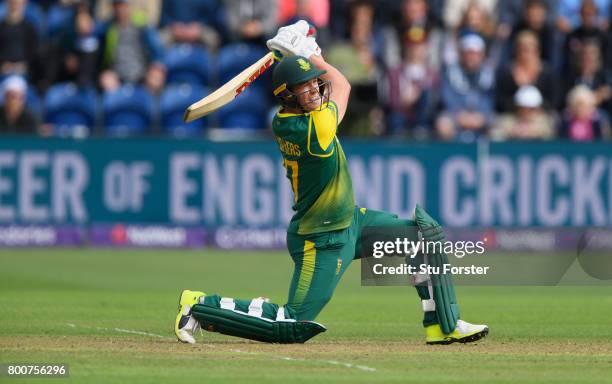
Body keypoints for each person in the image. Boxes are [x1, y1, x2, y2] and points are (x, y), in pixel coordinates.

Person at [173, 20, 489, 346]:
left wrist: (304, 55)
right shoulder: (309, 130)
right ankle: (199, 306)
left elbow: (325, 85)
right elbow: (344, 86)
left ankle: (442, 324)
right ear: (287, 97)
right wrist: (313, 53)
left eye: (314, 85)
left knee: (420, 237)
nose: (314, 92)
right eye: (305, 89)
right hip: (320, 239)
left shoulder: (296, 116)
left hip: (351, 222)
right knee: (292, 322)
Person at [436, 33, 495, 142]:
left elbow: (490, 100)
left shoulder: (490, 74)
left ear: (482, 55)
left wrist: (480, 117)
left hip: (481, 116)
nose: (472, 57)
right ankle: (448, 154)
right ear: (461, 54)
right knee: (443, 124)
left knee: (498, 127)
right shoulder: (450, 72)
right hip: (457, 116)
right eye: (468, 53)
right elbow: (447, 99)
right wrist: (461, 117)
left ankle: (492, 156)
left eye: (476, 54)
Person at [491, 85, 556, 140]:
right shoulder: (507, 121)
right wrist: (511, 131)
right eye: (522, 108)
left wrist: (533, 132)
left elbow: (551, 135)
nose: (526, 111)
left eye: (530, 109)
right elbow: (494, 134)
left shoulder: (545, 122)